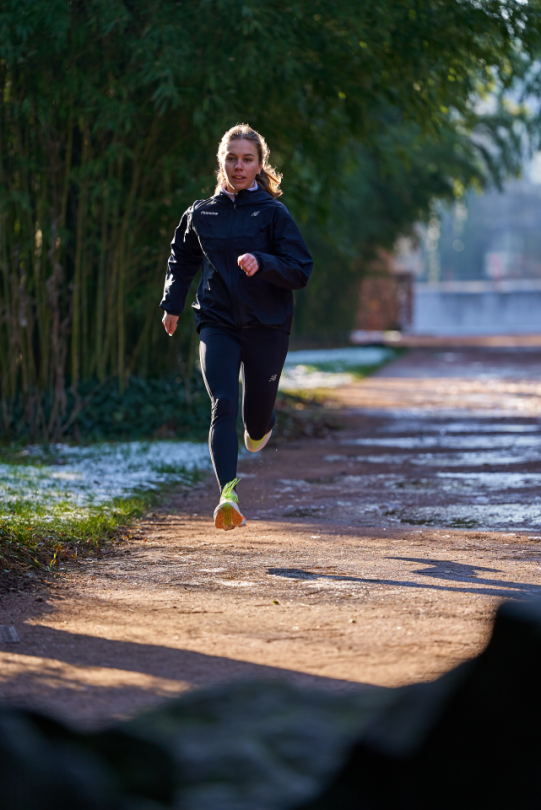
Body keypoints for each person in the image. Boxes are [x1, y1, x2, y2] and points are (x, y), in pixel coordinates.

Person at [160, 124, 313, 530]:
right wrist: (172, 304)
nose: (238, 166)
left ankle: (261, 423)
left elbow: (301, 270)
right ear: (221, 162)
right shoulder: (201, 213)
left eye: (247, 159)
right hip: (217, 322)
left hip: (268, 325)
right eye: (231, 158)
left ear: (259, 165)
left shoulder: (273, 213)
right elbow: (182, 260)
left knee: (255, 423)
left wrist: (263, 262)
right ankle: (227, 496)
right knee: (223, 402)